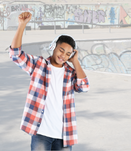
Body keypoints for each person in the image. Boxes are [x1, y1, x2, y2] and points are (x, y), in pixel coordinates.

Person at [9, 12, 90, 151]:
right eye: (61, 50)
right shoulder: (38, 65)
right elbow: (15, 55)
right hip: (41, 132)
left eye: (67, 54)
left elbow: (84, 86)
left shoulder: (70, 73)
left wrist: (75, 61)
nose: (63, 56)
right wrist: (22, 25)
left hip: (64, 134)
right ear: (54, 47)